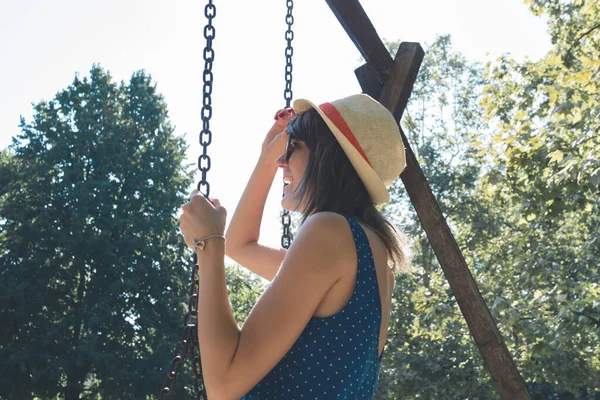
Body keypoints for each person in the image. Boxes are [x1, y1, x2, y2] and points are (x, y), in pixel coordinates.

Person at [179, 93, 411, 399]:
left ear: (328, 157)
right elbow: (239, 247)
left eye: (294, 148)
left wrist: (207, 244)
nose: (281, 161)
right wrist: (266, 158)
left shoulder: (329, 232)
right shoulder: (371, 256)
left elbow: (224, 384)